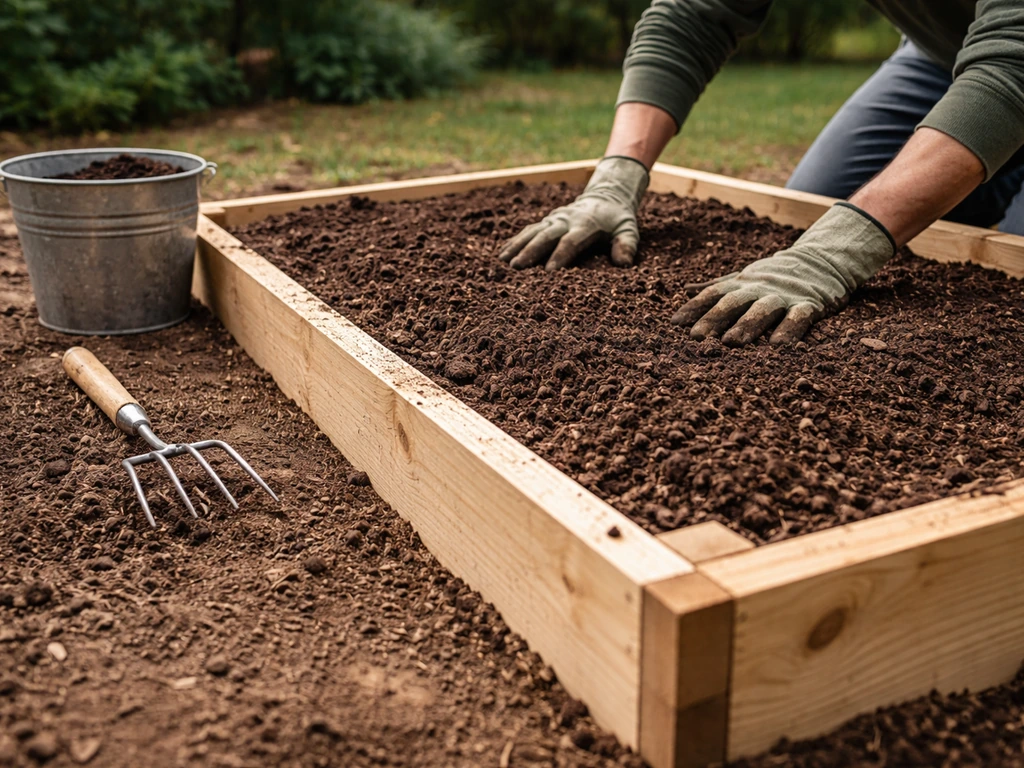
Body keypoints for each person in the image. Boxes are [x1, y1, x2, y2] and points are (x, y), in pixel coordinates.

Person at [497, 1, 1024, 346]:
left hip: (1010, 52)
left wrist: (837, 251)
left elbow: (1013, 56)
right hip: (948, 51)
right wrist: (618, 173)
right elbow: (693, 14)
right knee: (816, 203)